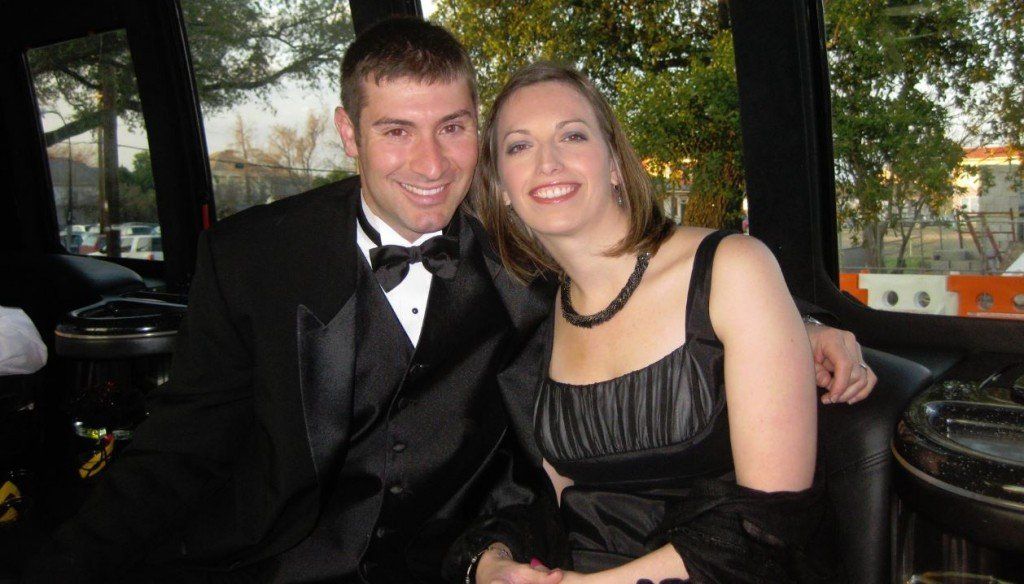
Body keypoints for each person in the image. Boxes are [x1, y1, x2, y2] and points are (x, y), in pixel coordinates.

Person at [24, 18, 871, 584]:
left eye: (455, 127)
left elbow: (651, 286)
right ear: (349, 134)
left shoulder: (519, 257)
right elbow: (176, 454)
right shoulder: (253, 259)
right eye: (396, 130)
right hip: (273, 565)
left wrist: (799, 325)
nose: (431, 164)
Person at [459, 62, 849, 583]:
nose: (548, 163)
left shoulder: (732, 267)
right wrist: (491, 562)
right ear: (501, 187)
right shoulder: (533, 315)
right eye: (519, 146)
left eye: (572, 136)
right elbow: (547, 500)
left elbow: (773, 523)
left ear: (615, 163)